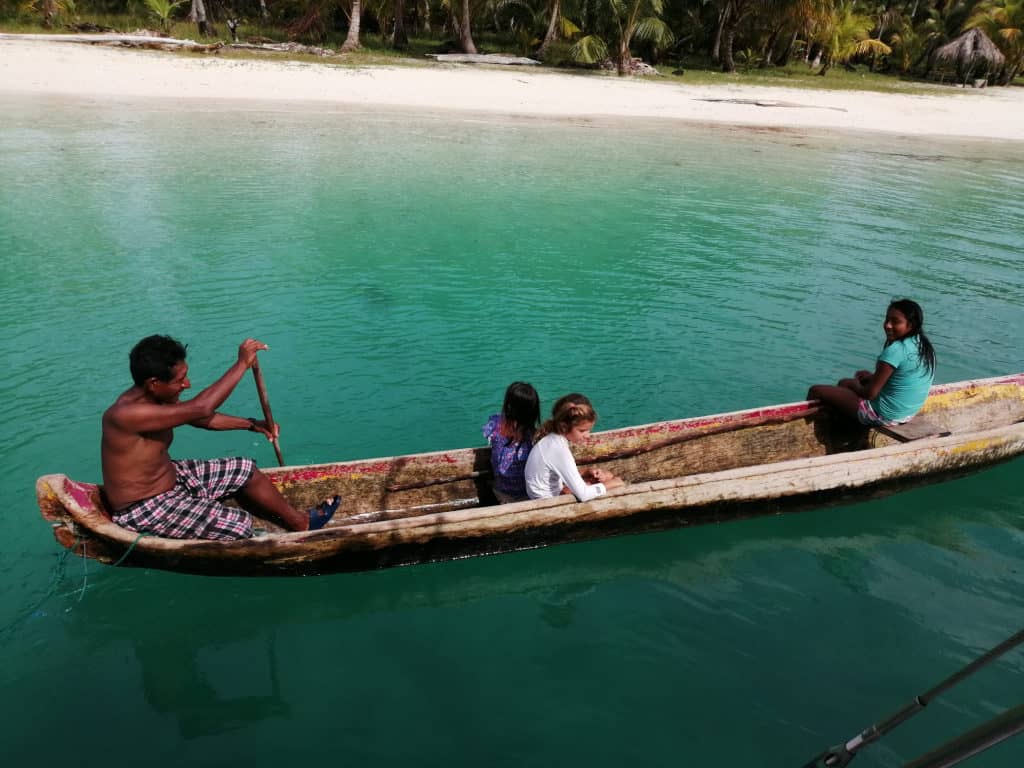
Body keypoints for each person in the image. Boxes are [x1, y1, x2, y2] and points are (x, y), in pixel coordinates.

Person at [102, 335, 340, 541]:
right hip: (146, 507)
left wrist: (252, 425)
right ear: (154, 383)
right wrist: (242, 364)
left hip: (171, 479)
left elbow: (198, 417)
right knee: (240, 525)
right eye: (179, 380)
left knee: (245, 468)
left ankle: (300, 523)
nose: (187, 384)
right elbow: (201, 408)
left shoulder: (154, 399)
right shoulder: (126, 414)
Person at [807, 298, 937, 426]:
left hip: (882, 415)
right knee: (849, 383)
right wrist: (871, 377)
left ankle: (816, 425)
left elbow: (869, 394)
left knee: (820, 389)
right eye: (887, 319)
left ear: (911, 325)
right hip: (906, 414)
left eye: (895, 322)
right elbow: (901, 376)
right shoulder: (923, 344)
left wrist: (855, 385)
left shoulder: (895, 350)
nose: (887, 325)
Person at [524, 393, 625, 501]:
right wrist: (615, 483)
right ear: (564, 427)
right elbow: (584, 495)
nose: (587, 435)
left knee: (603, 476)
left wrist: (586, 471)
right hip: (549, 501)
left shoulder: (552, 439)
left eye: (588, 430)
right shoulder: (559, 450)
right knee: (610, 478)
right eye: (582, 431)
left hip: (546, 493)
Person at [482, 382, 541, 504]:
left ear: (508, 405)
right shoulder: (534, 436)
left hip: (501, 491)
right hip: (526, 494)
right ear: (533, 412)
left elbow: (488, 436)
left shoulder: (495, 424)